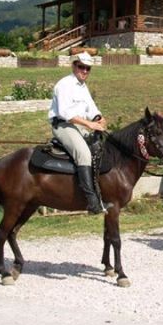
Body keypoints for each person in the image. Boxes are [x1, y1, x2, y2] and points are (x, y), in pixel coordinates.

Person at [48, 52, 113, 214]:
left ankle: (101, 194)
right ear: (74, 66)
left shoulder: (83, 87)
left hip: (80, 126)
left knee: (102, 149)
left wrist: (99, 119)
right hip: (63, 125)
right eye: (81, 67)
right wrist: (89, 124)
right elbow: (65, 113)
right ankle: (91, 202)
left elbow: (91, 109)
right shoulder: (64, 85)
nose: (84, 70)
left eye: (88, 68)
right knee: (83, 154)